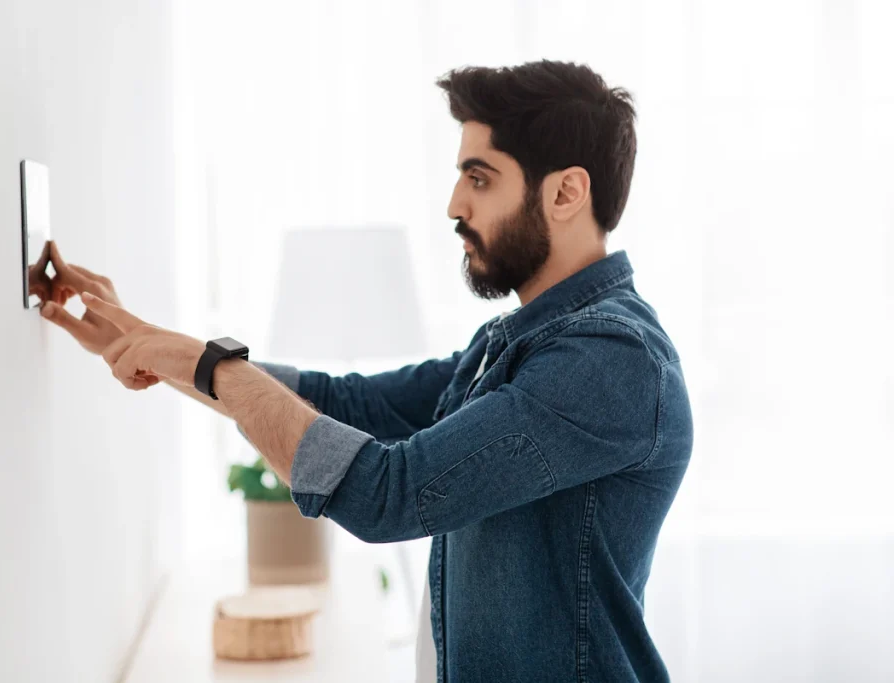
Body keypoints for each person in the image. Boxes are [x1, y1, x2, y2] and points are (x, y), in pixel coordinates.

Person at [41, 60, 693, 683]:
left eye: (480, 177)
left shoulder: (609, 360)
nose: (454, 205)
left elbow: (393, 493)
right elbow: (343, 403)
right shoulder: (516, 343)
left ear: (566, 192)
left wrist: (208, 366)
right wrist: (147, 342)